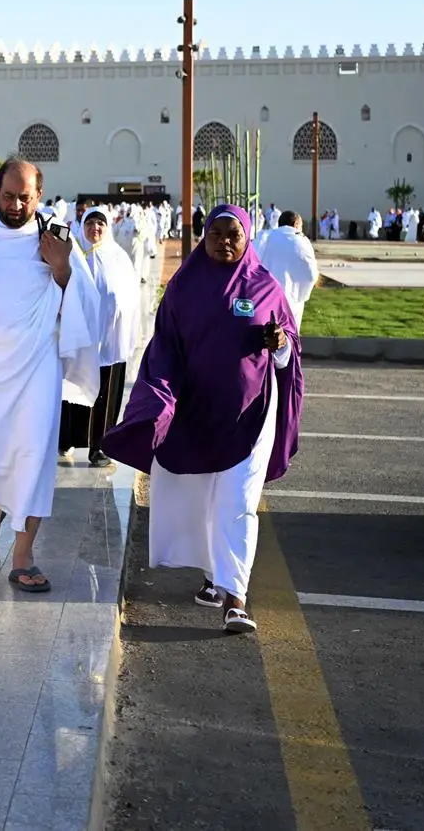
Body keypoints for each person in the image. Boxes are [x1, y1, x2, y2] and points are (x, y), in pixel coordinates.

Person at [101, 204, 303, 633]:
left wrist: (280, 344)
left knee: (238, 503)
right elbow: (164, 346)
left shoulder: (265, 286)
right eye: (217, 234)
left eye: (234, 235)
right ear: (204, 236)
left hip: (250, 417)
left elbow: (290, 352)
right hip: (195, 414)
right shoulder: (184, 287)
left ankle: (235, 598)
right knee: (204, 499)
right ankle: (214, 575)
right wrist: (159, 401)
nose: (225, 241)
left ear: (247, 238)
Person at [0, 159, 100, 593]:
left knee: (33, 456)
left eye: (25, 198)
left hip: (36, 366)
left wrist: (62, 268)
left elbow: (87, 304)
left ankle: (24, 555)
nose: (15, 205)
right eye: (9, 196)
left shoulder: (56, 238)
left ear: (39, 195)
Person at [74, 206, 142, 467]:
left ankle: (100, 446)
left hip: (111, 338)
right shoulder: (74, 256)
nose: (95, 228)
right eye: (90, 223)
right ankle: (68, 439)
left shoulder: (118, 257)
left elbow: (131, 296)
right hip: (80, 337)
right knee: (74, 391)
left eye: (100, 223)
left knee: (106, 392)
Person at [257, 210, 320, 329]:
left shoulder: (264, 237)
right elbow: (311, 275)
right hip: (291, 300)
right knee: (288, 335)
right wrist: (301, 294)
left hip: (263, 298)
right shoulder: (301, 241)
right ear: (296, 224)